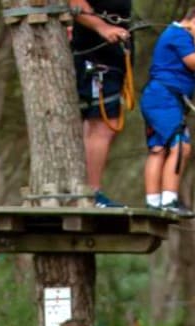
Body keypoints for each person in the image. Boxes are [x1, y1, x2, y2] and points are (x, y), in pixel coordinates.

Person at [140, 6, 195, 218]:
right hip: (163, 97)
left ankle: (154, 201)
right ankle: (169, 200)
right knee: (181, 146)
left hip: (164, 98)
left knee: (159, 148)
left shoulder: (181, 35)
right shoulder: (178, 35)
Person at [71, 1, 133, 208]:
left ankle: (88, 191)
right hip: (95, 55)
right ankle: (90, 193)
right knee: (101, 126)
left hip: (112, 55)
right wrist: (102, 27)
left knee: (102, 126)